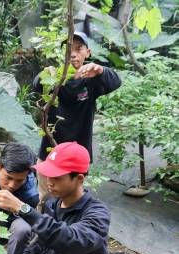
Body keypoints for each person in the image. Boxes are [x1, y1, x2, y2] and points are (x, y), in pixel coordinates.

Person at [33, 31, 121, 212]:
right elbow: (36, 85)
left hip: (77, 154)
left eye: (78, 48)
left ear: (87, 53)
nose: (73, 53)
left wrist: (101, 70)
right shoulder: (54, 78)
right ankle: (41, 235)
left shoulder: (92, 80)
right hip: (50, 151)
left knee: (72, 201)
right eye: (67, 49)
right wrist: (44, 76)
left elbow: (115, 82)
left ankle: (68, 234)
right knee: (44, 198)